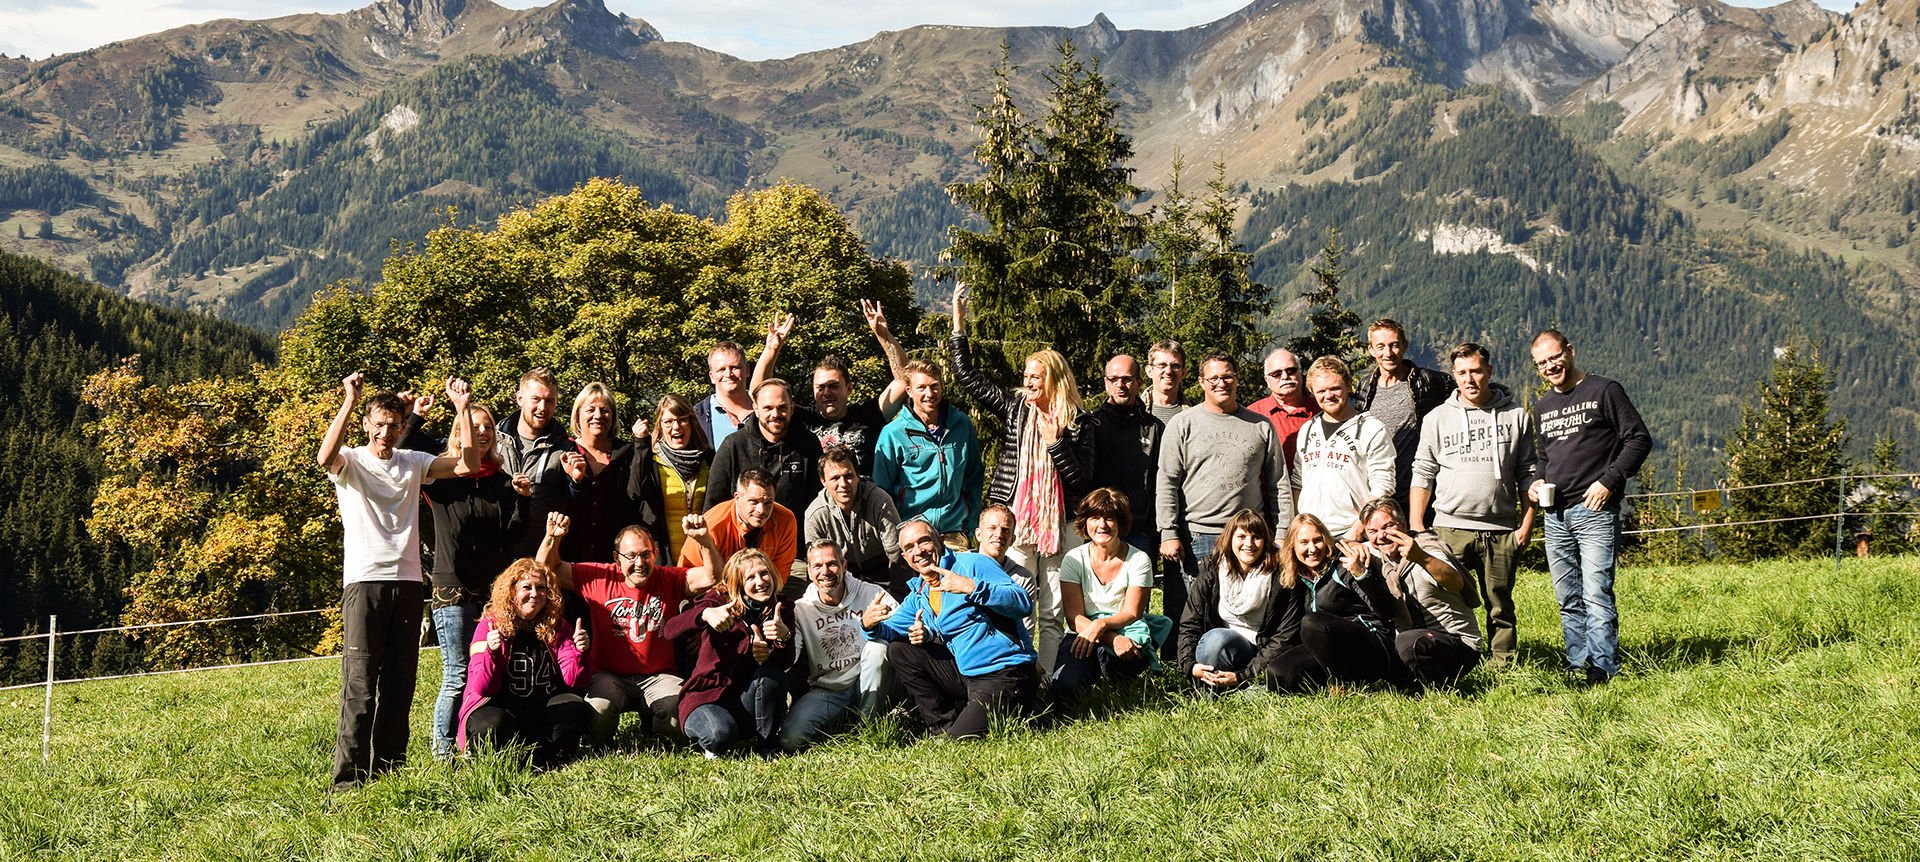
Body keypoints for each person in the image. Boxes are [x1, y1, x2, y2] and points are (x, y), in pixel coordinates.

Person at [317, 372, 479, 791]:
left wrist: (461, 409)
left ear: (402, 427)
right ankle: (348, 782)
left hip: (408, 583)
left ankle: (390, 773)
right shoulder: (351, 461)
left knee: (401, 683)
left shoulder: (413, 463)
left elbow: (468, 465)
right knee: (361, 684)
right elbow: (324, 456)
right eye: (380, 424)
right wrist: (349, 401)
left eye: (394, 425)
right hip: (364, 583)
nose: (386, 432)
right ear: (368, 425)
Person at [949, 284, 1096, 675]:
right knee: (1017, 604)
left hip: (1061, 527)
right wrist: (959, 324)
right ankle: (1016, 675)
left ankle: (1044, 682)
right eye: (1026, 376)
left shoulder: (1079, 424)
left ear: (1055, 380)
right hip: (1016, 523)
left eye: (1036, 376)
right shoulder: (1017, 409)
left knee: (1050, 611)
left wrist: (1057, 444)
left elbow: (1082, 482)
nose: (1028, 382)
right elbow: (967, 378)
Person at [399, 392, 528, 761]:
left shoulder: (502, 481)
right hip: (451, 587)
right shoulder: (442, 475)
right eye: (473, 426)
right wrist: (417, 417)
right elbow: (402, 452)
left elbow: (513, 536)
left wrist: (522, 500)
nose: (483, 432)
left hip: (493, 591)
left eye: (487, 426)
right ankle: (443, 753)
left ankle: (482, 742)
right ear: (459, 432)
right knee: (456, 673)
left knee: (489, 668)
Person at [1528, 329, 1651, 685]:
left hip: (1594, 510)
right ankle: (1577, 662)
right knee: (1568, 596)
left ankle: (1602, 667)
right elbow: (1544, 457)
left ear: (1570, 351)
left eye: (1554, 357)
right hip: (1556, 514)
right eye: (1542, 364)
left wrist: (1609, 481)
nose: (1551, 366)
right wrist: (1537, 481)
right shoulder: (1543, 406)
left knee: (1596, 592)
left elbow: (1639, 438)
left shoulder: (1604, 390)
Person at [537, 512, 718, 746]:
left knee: (675, 714)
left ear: (655, 554)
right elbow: (545, 571)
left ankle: (654, 732)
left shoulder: (669, 578)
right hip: (609, 675)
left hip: (658, 675)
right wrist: (552, 538)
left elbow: (712, 577)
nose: (639, 563)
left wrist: (704, 541)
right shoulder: (599, 576)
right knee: (599, 711)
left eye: (646, 555)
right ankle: (603, 748)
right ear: (617, 558)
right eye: (631, 556)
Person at [1409, 342, 1536, 666]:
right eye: (1462, 372)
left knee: (1499, 601)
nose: (1470, 379)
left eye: (1476, 371)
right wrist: (1417, 526)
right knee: (1447, 596)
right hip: (1450, 527)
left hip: (1501, 528)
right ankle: (1457, 656)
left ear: (1489, 372)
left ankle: (1502, 663)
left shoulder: (1515, 417)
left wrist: (1526, 525)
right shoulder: (1438, 418)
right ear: (1454, 376)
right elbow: (1423, 471)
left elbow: (1527, 473)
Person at [1156, 350, 1293, 647]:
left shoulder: (1260, 425)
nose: (1221, 383)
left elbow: (1278, 483)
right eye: (1214, 378)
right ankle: (1183, 672)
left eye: (1227, 376)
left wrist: (1281, 533)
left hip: (1248, 539)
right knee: (1189, 612)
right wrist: (1168, 532)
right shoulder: (1182, 424)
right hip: (1196, 535)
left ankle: (1236, 667)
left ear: (1237, 379)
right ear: (1201, 382)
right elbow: (1167, 480)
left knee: (1243, 611)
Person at [872, 519, 1038, 739]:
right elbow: (890, 630)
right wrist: (870, 624)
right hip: (968, 675)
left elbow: (1022, 602)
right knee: (899, 649)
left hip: (1006, 673)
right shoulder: (921, 590)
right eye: (909, 547)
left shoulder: (972, 563)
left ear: (939, 541)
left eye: (924, 541)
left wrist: (971, 586)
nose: (918, 551)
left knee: (960, 742)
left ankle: (1024, 707)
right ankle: (941, 727)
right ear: (905, 557)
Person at [456, 559, 592, 766]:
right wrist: (492, 653)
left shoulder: (557, 626)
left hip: (539, 708)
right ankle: (498, 760)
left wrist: (580, 652)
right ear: (511, 592)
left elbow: (574, 680)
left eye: (541, 588)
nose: (535, 594)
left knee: (575, 708)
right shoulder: (490, 626)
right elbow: (482, 687)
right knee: (490, 724)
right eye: (526, 587)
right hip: (500, 708)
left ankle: (541, 758)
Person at [749, 302, 911, 476]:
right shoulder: (802, 420)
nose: (826, 393)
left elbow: (905, 380)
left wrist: (884, 336)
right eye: (820, 387)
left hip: (863, 499)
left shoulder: (867, 416)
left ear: (849, 388)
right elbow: (758, 394)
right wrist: (771, 350)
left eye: (833, 386)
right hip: (816, 502)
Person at [664, 548, 797, 757]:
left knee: (773, 674)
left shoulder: (781, 607)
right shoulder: (718, 601)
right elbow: (670, 630)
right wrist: (705, 614)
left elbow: (785, 662)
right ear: (737, 583)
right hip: (707, 696)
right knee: (720, 735)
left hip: (746, 701)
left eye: (764, 573)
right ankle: (712, 739)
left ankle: (768, 748)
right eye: (750, 577)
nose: (761, 581)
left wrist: (782, 639)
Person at [1264, 513, 1410, 693]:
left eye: (1317, 540)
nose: (1312, 548)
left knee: (1311, 623)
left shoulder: (1345, 563)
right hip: (1328, 649)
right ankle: (1331, 682)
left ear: (1326, 541)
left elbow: (1387, 611)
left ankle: (1344, 684)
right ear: (1292, 546)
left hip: (1371, 644)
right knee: (1278, 673)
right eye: (1304, 542)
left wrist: (1361, 575)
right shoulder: (1296, 576)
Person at [780, 539, 899, 752]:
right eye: (817, 566)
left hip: (869, 680)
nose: (825, 571)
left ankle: (868, 727)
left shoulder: (870, 593)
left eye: (832, 564)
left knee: (878, 648)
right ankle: (843, 720)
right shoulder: (800, 609)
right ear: (808, 571)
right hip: (829, 688)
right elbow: (789, 659)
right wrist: (782, 637)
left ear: (844, 566)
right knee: (790, 739)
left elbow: (903, 624)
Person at [1050, 489, 1169, 702]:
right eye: (1095, 517)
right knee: (1065, 688)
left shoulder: (1139, 560)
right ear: (1085, 522)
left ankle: (1122, 672)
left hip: (1126, 629)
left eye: (1109, 518)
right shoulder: (1073, 559)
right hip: (1083, 631)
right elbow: (1073, 616)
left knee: (1121, 683)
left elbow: (1132, 612)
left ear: (1120, 522)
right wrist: (1105, 635)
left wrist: (1103, 626)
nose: (1102, 525)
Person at [1358, 498, 1482, 688]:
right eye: (1372, 532)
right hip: (1416, 642)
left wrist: (1421, 558)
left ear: (1403, 524)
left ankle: (1439, 690)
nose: (1381, 536)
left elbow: (1455, 582)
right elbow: (1340, 545)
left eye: (1387, 526)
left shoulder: (1427, 548)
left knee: (1407, 641)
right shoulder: (1379, 554)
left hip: (1458, 644)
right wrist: (1354, 546)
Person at [1177, 509, 1302, 693]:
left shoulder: (1282, 576)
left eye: (1256, 537)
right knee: (1216, 640)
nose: (1248, 544)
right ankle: (1209, 695)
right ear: (1230, 539)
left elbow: (1285, 636)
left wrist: (1243, 675)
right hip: (1224, 648)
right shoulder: (1212, 570)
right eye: (1241, 536)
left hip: (1263, 653)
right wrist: (1189, 665)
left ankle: (1240, 685)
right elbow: (1190, 622)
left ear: (1266, 541)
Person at [873, 358, 983, 549]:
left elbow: (973, 477)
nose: (929, 394)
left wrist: (971, 523)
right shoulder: (893, 433)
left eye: (934, 386)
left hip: (954, 532)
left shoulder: (961, 425)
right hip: (912, 534)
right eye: (921, 388)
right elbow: (882, 492)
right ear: (909, 391)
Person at [704, 379, 823, 541]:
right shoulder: (733, 445)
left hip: (792, 547)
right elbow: (714, 504)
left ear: (792, 408)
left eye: (782, 408)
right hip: (738, 546)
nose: (775, 414)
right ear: (756, 409)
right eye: (768, 408)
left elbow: (818, 501)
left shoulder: (808, 444)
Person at [1355, 319, 1455, 507]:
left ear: (1404, 345)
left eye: (1394, 345)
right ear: (1371, 350)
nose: (1388, 353)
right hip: (1378, 496)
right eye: (1381, 346)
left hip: (1421, 492)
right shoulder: (1364, 388)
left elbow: (1466, 401)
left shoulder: (1431, 382)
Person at [1293, 356, 1395, 540]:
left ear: (1348, 386)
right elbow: (1297, 483)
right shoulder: (1307, 430)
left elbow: (1383, 487)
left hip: (1351, 534)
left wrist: (1356, 531)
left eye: (1335, 388)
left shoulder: (1371, 428)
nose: (1328, 395)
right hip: (1310, 536)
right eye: (1321, 391)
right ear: (1312, 391)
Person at [616, 393, 713, 562]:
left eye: (682, 419)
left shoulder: (708, 459)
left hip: (701, 558)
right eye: (668, 421)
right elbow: (634, 492)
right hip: (663, 561)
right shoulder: (651, 460)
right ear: (659, 426)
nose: (676, 427)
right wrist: (641, 444)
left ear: (691, 422)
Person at [1088, 354, 1162, 554]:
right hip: (1098, 528)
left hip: (1140, 531)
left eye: (1127, 379)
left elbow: (1162, 484)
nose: (1120, 385)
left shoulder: (1154, 428)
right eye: (1114, 379)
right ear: (1106, 383)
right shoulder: (1092, 425)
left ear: (1138, 383)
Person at [558, 382, 637, 564]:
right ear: (577, 416)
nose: (598, 416)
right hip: (570, 559)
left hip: (616, 559)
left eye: (604, 410)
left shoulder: (627, 454)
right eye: (590, 410)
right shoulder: (564, 452)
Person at [496, 368, 572, 555]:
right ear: (520, 398)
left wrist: (577, 482)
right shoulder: (491, 441)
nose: (542, 407)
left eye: (549, 401)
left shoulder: (566, 450)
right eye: (536, 399)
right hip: (493, 556)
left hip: (538, 561)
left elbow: (576, 503)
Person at [804, 446, 901, 589]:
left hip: (883, 572)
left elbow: (896, 552)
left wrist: (898, 593)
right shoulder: (816, 514)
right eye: (835, 478)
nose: (843, 484)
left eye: (848, 476)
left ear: (858, 475)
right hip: (841, 578)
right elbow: (815, 564)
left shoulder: (879, 501)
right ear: (823, 481)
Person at [681, 469, 799, 577]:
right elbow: (686, 575)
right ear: (737, 498)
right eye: (753, 501)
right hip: (715, 591)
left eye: (768, 502)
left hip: (764, 587)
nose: (761, 510)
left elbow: (781, 572)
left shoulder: (785, 520)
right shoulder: (713, 525)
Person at [1246, 348, 1318, 472]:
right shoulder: (1252, 415)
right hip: (1268, 491)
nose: (1285, 377)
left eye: (1291, 371)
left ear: (1300, 373)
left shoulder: (1322, 410)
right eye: (1276, 374)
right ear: (1267, 381)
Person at [693, 341, 754, 450]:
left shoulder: (764, 410)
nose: (728, 374)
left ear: (747, 370)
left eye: (735, 367)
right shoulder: (697, 416)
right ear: (711, 376)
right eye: (721, 369)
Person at [1143, 340, 1190, 425]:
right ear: (1149, 371)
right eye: (1162, 365)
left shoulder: (1195, 415)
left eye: (1175, 366)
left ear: (1183, 372)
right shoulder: (1132, 412)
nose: (1168, 371)